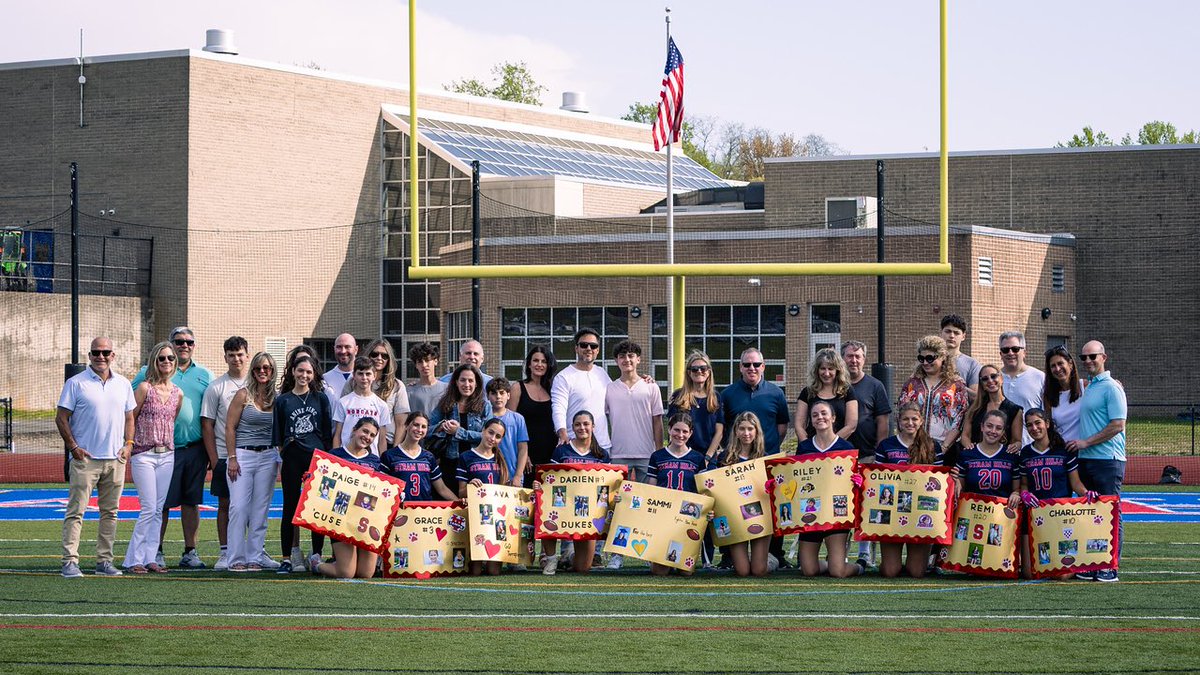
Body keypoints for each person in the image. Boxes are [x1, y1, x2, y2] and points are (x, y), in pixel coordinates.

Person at [132, 326, 213, 570]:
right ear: (170, 343)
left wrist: (212, 450)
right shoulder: (150, 371)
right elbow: (130, 404)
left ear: (194, 345)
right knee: (161, 504)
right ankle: (155, 551)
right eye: (178, 341)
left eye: (189, 342)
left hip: (195, 447)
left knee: (191, 501)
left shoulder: (205, 374)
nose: (183, 346)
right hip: (163, 448)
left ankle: (190, 551)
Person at [57, 337, 136, 578]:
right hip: (85, 460)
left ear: (113, 355)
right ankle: (70, 561)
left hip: (115, 460)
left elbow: (130, 417)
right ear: (89, 355)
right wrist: (74, 448)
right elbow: (61, 417)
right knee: (76, 511)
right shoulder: (76, 383)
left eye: (105, 352)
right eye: (96, 352)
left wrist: (129, 445)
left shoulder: (123, 384)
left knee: (110, 513)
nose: (101, 356)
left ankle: (104, 561)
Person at [721, 346, 791, 567]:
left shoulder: (776, 392)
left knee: (769, 505)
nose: (752, 368)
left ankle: (776, 554)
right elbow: (724, 427)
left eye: (756, 364)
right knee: (732, 506)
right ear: (740, 367)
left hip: (766, 459)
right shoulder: (728, 393)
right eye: (747, 364)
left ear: (763, 366)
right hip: (736, 460)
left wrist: (766, 449)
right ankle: (728, 556)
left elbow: (782, 426)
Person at [1068, 340, 1127, 583]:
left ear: (1104, 357)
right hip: (1088, 460)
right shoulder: (1090, 386)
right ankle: (1094, 562)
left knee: (1110, 511)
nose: (1088, 361)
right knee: (1091, 512)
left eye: (1093, 356)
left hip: (1106, 459)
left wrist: (1086, 443)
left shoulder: (1112, 387)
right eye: (1084, 358)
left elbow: (1118, 424)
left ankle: (1110, 566)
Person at [123, 341, 183, 574]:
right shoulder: (144, 389)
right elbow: (131, 418)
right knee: (148, 507)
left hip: (167, 454)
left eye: (170, 358)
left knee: (158, 509)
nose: (166, 362)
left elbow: (171, 421)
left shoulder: (178, 393)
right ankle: (133, 559)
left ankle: (150, 557)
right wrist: (128, 444)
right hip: (144, 454)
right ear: (154, 362)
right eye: (162, 358)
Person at [1017, 408, 1094, 579]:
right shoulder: (1026, 453)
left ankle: (1081, 564)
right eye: (1029, 425)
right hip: (1035, 515)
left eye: (1038, 423)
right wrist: (1025, 494)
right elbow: (1023, 485)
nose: (1034, 428)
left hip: (1061, 515)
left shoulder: (1063, 450)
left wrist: (1086, 493)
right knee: (1030, 573)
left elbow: (1075, 483)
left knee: (1061, 576)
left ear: (1047, 424)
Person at [273, 354, 333, 573]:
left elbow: (326, 433)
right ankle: (288, 557)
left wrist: (322, 459)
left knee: (317, 506)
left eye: (308, 372)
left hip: (316, 459)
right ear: (293, 372)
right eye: (300, 371)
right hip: (292, 457)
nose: (304, 375)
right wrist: (286, 455)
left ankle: (316, 554)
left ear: (313, 374)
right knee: (290, 507)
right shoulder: (283, 400)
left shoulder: (321, 398)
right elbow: (278, 437)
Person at [224, 352, 282, 572]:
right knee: (238, 507)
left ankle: (255, 557)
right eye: (258, 368)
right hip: (243, 455)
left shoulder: (277, 398)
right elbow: (230, 427)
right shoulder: (243, 395)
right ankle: (235, 558)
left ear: (272, 370)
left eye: (266, 368)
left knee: (260, 509)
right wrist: (232, 458)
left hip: (268, 456)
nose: (262, 372)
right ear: (253, 370)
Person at [793, 401, 863, 579]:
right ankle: (829, 562)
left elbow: (854, 482)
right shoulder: (804, 447)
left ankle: (859, 567)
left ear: (833, 418)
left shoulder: (846, 448)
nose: (820, 418)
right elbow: (795, 479)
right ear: (811, 420)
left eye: (824, 413)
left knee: (838, 572)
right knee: (808, 570)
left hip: (836, 515)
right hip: (811, 512)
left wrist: (859, 480)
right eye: (815, 415)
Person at [873, 402, 942, 578]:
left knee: (916, 572)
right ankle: (890, 561)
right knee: (890, 571)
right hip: (893, 509)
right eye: (905, 419)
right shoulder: (886, 445)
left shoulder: (933, 446)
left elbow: (940, 482)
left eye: (914, 419)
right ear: (898, 420)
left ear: (921, 421)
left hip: (920, 511)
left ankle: (918, 561)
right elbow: (877, 479)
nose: (910, 423)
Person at [539, 410, 612, 575]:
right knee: (547, 512)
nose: (582, 428)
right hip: (563, 505)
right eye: (578, 424)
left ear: (593, 426)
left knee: (582, 568)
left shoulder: (601, 454)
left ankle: (570, 556)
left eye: (586, 424)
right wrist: (541, 485)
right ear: (572, 427)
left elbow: (606, 486)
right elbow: (551, 479)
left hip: (587, 511)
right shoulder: (561, 451)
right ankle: (551, 559)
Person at [312, 417, 385, 579]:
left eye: (372, 435)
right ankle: (316, 565)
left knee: (366, 573)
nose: (368, 437)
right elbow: (324, 489)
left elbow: (381, 492)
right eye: (365, 431)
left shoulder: (375, 461)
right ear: (354, 430)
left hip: (365, 520)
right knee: (346, 573)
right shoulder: (335, 456)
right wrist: (313, 479)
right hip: (341, 518)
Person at [199, 335, 249, 570]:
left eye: (240, 354)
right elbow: (207, 424)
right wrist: (214, 458)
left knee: (250, 505)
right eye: (231, 355)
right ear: (225, 357)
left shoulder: (257, 384)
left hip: (251, 455)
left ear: (247, 355)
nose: (236, 359)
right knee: (225, 505)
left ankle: (251, 549)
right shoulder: (216, 386)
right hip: (224, 454)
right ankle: (225, 551)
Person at [639, 413, 710, 577]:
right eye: (676, 430)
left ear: (690, 433)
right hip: (664, 515)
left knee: (686, 572)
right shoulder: (657, 456)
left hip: (687, 518)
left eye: (685, 431)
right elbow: (652, 487)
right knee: (660, 572)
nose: (680, 435)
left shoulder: (697, 458)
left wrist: (706, 509)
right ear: (669, 430)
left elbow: (702, 491)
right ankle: (657, 556)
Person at [715, 412, 772, 577]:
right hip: (736, 518)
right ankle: (754, 559)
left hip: (759, 516)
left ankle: (771, 560)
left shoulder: (765, 459)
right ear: (736, 432)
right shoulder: (724, 458)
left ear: (756, 431)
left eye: (750, 429)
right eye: (742, 429)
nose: (746, 433)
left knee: (758, 571)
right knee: (742, 571)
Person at [457, 418, 511, 576]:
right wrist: (470, 487)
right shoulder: (466, 457)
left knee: (494, 572)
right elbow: (461, 492)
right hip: (476, 517)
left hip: (497, 517)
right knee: (475, 571)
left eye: (498, 436)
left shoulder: (500, 459)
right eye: (490, 432)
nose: (492, 438)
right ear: (483, 430)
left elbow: (505, 491)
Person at [429, 363, 493, 496]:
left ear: (477, 384)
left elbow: (489, 436)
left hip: (475, 463)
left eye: (471, 380)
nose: (467, 384)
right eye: (463, 380)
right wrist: (441, 426)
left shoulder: (484, 406)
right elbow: (427, 430)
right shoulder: (446, 403)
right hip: (449, 462)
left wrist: (459, 432)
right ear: (456, 382)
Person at [605, 340, 663, 482]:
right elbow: (603, 420)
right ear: (616, 360)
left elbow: (657, 421)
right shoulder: (609, 388)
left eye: (631, 355)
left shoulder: (651, 387)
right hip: (618, 454)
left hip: (646, 453)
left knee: (644, 498)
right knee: (617, 499)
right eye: (622, 356)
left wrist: (659, 452)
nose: (627, 360)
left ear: (638, 359)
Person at [897, 335, 968, 450]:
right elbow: (900, 414)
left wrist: (944, 447)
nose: (925, 362)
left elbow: (959, 419)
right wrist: (908, 444)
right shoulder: (912, 383)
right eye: (921, 358)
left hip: (944, 448)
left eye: (930, 358)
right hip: (912, 446)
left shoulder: (956, 385)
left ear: (943, 357)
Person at [552, 328, 613, 452]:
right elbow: (558, 408)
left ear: (598, 350)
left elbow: (619, 395)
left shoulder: (602, 374)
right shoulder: (564, 377)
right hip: (574, 445)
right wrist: (562, 433)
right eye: (584, 345)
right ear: (576, 348)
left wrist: (640, 380)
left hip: (602, 446)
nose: (589, 349)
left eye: (593, 346)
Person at [380, 411, 458, 501]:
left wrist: (461, 504)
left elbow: (442, 489)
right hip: (400, 511)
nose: (419, 429)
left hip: (423, 512)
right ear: (406, 426)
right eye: (416, 425)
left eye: (423, 427)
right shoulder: (389, 455)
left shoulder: (429, 457)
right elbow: (381, 488)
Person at [509, 345, 557, 488]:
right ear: (529, 364)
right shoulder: (518, 387)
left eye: (543, 361)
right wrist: (523, 455)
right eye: (536, 360)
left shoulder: (553, 388)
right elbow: (510, 425)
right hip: (526, 454)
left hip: (550, 453)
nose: (539, 365)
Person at [344, 339, 409, 444]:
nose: (379, 358)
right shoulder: (352, 382)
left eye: (384, 356)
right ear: (368, 355)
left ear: (389, 359)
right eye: (375, 354)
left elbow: (401, 424)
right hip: (354, 442)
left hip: (386, 443)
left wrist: (394, 452)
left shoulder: (397, 386)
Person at [952, 410, 1021, 507]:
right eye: (989, 426)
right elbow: (960, 489)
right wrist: (955, 482)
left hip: (1001, 515)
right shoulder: (967, 455)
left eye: (998, 428)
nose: (993, 431)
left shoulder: (1011, 456)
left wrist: (1016, 494)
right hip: (971, 512)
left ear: (1003, 431)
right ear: (982, 427)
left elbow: (1017, 489)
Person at [666, 351, 725, 459]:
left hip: (707, 456)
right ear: (689, 372)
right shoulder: (678, 396)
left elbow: (719, 432)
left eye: (703, 368)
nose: (699, 371)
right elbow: (672, 428)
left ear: (709, 372)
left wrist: (708, 456)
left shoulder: (715, 397)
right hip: (683, 456)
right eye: (694, 369)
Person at [794, 347, 858, 444]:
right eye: (823, 368)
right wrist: (808, 445)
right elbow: (799, 425)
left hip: (839, 449)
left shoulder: (847, 391)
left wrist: (829, 445)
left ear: (837, 370)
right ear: (817, 370)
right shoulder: (807, 392)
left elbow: (851, 425)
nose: (826, 373)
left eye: (830, 369)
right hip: (811, 450)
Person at [841, 341, 891, 460]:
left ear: (864, 359)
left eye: (857, 356)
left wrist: (880, 453)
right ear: (842, 359)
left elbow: (883, 422)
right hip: (837, 455)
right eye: (849, 356)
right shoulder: (834, 385)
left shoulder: (876, 386)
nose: (854, 360)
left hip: (867, 456)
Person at [333, 356, 392, 456]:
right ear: (354, 375)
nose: (364, 378)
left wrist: (382, 463)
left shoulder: (382, 405)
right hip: (346, 458)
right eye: (360, 374)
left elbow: (382, 439)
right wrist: (334, 458)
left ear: (374, 375)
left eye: (368, 374)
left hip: (370, 460)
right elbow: (337, 435)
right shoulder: (343, 402)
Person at [958, 364, 1023, 454]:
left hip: (1001, 460)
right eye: (985, 379)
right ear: (982, 385)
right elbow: (965, 436)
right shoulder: (974, 409)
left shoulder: (1015, 410)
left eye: (993, 376)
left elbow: (1017, 441)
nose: (990, 381)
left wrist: (1015, 446)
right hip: (975, 458)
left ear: (1001, 378)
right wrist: (971, 450)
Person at [999, 331, 1045, 445]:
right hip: (999, 450)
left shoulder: (1040, 378)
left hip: (1030, 448)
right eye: (1005, 350)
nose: (1010, 353)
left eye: (1015, 349)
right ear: (1000, 354)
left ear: (1024, 352)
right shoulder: (993, 379)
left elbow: (1047, 415)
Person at [487, 377, 529, 486]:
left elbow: (523, 448)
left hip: (512, 476)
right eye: (494, 393)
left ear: (509, 395)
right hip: (489, 475)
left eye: (502, 393)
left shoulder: (518, 419)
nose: (498, 397)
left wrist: (518, 475)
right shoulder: (483, 418)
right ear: (488, 396)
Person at [1042, 345, 1086, 443]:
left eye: (1060, 363)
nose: (1057, 369)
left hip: (1085, 451)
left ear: (1070, 364)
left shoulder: (1086, 386)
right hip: (1062, 451)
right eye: (1053, 366)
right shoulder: (1048, 395)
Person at [940, 314, 981, 402]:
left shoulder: (972, 364)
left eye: (956, 333)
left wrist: (955, 385)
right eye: (948, 331)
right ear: (941, 333)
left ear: (963, 336)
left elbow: (976, 397)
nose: (951, 336)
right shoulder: (930, 361)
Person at [407, 342, 448, 419]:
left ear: (435, 361)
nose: (424, 365)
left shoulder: (447, 389)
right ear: (416, 365)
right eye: (420, 362)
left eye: (427, 360)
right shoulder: (409, 391)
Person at [322, 333, 358, 411]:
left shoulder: (366, 378)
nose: (343, 351)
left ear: (356, 350)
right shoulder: (325, 379)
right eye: (339, 347)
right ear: (334, 349)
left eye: (347, 347)